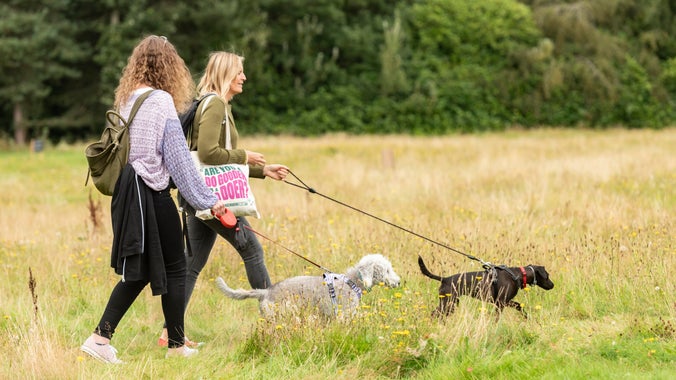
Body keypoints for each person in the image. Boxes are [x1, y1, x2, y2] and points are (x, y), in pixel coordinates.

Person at [80, 35, 229, 364]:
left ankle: (100, 339)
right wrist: (209, 200)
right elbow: (178, 160)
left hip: (127, 193)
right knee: (176, 267)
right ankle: (174, 346)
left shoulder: (128, 99)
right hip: (151, 194)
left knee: (140, 270)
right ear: (169, 66)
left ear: (137, 64)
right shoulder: (161, 101)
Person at [157, 51, 289, 347]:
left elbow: (220, 165)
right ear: (226, 74)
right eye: (239, 72)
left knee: (191, 265)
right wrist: (245, 156)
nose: (244, 77)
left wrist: (263, 170)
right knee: (252, 251)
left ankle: (169, 333)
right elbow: (207, 154)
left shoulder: (210, 102)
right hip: (214, 200)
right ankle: (278, 321)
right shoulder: (215, 104)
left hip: (199, 196)